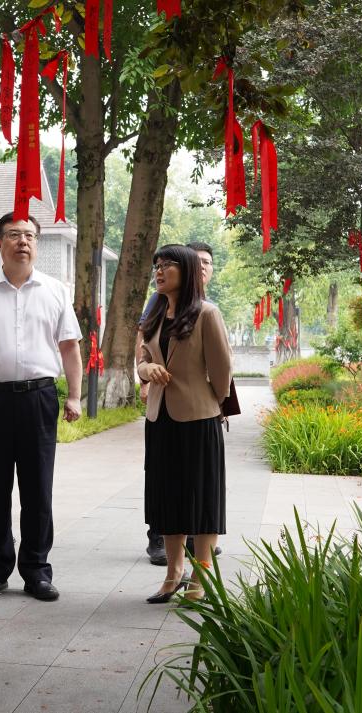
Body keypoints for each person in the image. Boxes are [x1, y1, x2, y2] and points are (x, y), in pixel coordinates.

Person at [0, 212, 82, 603]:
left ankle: (36, 570)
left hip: (38, 398)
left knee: (38, 489)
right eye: (13, 235)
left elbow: (69, 347)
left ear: (37, 243)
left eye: (29, 235)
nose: (22, 241)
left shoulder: (55, 290)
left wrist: (75, 396)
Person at [137, 244, 232, 604]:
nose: (159, 272)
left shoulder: (207, 313)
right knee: (167, 495)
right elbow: (143, 357)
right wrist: (147, 369)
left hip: (199, 419)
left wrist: (213, 402)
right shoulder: (155, 312)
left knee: (202, 497)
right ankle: (173, 572)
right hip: (159, 418)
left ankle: (201, 575)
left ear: (187, 270)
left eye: (167, 265)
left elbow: (222, 370)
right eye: (157, 266)